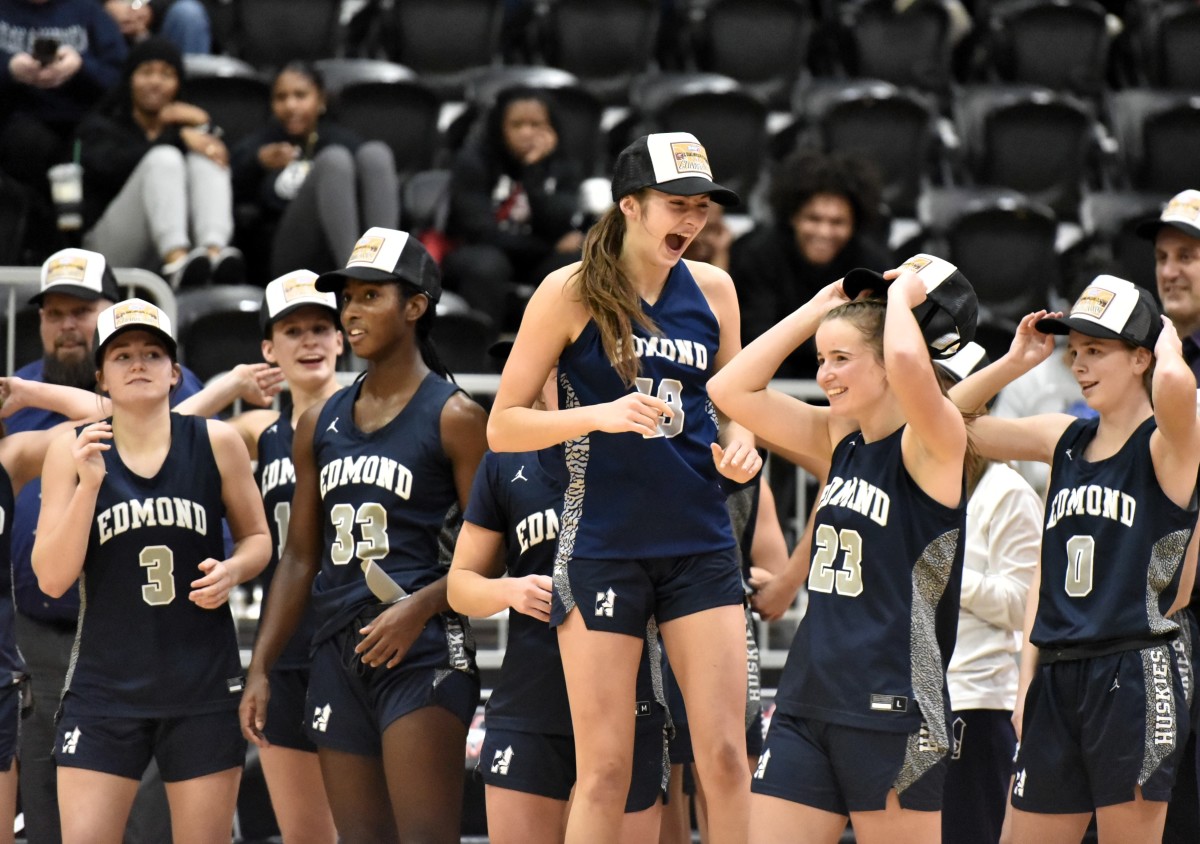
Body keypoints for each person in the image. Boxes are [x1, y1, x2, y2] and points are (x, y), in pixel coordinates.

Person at [488, 131, 761, 843]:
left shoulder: (717, 290)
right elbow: (503, 425)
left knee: (728, 757)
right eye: (677, 205)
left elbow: (734, 405)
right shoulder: (569, 290)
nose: (692, 221)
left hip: (700, 541)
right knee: (606, 769)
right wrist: (599, 414)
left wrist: (742, 445)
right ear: (630, 205)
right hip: (604, 543)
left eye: (702, 207)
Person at [709, 255, 975, 843]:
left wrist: (900, 299)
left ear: (888, 365)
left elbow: (909, 359)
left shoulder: (936, 439)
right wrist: (816, 309)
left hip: (894, 704)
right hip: (810, 698)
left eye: (842, 360)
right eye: (821, 360)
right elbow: (727, 387)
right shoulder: (839, 438)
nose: (825, 375)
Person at [239, 227, 490, 844]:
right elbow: (298, 556)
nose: (350, 311)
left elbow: (495, 548)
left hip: (425, 649)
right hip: (336, 651)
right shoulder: (318, 422)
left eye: (370, 296)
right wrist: (262, 665)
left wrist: (419, 607)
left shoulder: (456, 417)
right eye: (346, 298)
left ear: (415, 306)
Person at [951, 275, 1200, 843]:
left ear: (1140, 358)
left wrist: (1165, 340)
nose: (1079, 365)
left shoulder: (1168, 444)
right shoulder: (1062, 436)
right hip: (1060, 668)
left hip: (1136, 666)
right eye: (1075, 351)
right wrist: (1015, 362)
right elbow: (944, 422)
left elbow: (1179, 389)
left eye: (1097, 350)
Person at [30, 297, 271, 843]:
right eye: (122, 355)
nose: (138, 363)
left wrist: (233, 571)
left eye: (152, 353)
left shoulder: (217, 441)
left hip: (202, 685)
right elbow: (51, 578)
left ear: (175, 373)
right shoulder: (69, 450)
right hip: (104, 688)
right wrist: (89, 484)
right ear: (101, 377)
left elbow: (259, 540)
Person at [4, 247, 205, 844]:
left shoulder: (163, 382)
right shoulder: (15, 396)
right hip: (36, 632)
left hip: (141, 639)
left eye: (82, 310)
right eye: (54, 313)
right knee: (44, 812)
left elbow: (139, 418)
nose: (67, 325)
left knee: (145, 820)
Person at [448, 349, 667, 844]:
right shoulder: (505, 462)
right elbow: (461, 586)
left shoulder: (646, 458)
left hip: (629, 699)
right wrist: (510, 589)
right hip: (532, 701)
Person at [934, 342, 1040, 844]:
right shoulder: (920, 481)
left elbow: (1024, 604)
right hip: (915, 697)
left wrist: (948, 572)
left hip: (977, 703)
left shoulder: (1008, 491)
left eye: (948, 391)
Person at [76, 36, 242, 288]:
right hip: (109, 250)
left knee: (205, 155)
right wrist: (177, 139)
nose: (155, 82)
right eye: (146, 72)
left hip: (183, 244)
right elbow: (108, 168)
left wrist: (204, 126)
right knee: (165, 159)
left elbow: (231, 175)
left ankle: (213, 255)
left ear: (178, 84)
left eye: (166, 74)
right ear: (130, 79)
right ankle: (178, 265)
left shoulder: (187, 131)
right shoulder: (103, 123)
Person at [1140, 187, 1200, 844]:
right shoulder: (1148, 358)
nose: (1170, 270)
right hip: (1157, 612)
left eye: (1188, 255)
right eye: (1162, 256)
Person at [728, 147, 891, 380]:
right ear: (793, 217)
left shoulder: (872, 262)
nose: (824, 232)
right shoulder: (759, 255)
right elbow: (756, 338)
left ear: (854, 225)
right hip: (774, 385)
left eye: (837, 222)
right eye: (813, 219)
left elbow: (875, 344)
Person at [231, 63, 399, 279]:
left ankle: (385, 272)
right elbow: (234, 196)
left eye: (300, 96)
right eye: (281, 98)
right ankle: (355, 282)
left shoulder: (345, 141)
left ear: (321, 100)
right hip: (290, 258)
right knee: (333, 161)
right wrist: (257, 163)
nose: (290, 105)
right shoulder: (262, 146)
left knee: (376, 153)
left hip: (350, 242)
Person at [443, 86, 584, 324]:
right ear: (500, 128)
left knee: (577, 263)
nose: (527, 133)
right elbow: (481, 232)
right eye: (517, 125)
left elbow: (559, 221)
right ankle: (483, 353)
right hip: (485, 252)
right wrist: (548, 244)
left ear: (551, 128)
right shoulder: (474, 161)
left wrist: (533, 173)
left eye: (536, 125)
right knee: (487, 265)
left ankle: (562, 353)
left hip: (536, 257)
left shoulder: (563, 165)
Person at [0, 0, 125, 255]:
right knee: (28, 142)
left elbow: (122, 80)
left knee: (99, 152)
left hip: (81, 128)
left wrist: (81, 66)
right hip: (14, 128)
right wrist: (10, 70)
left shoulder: (88, 12)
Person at [102, 0, 212, 55]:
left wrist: (152, 11)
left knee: (188, 14)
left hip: (165, 24)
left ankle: (190, 93)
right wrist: (105, 5)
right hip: (110, 20)